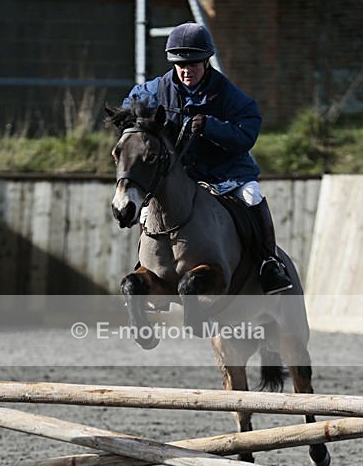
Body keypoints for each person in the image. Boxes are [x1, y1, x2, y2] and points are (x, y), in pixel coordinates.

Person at [123, 22, 292, 294]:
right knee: (147, 209)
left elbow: (247, 132)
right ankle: (146, 264)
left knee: (252, 196)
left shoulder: (226, 93)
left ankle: (268, 262)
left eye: (193, 64)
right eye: (181, 65)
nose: (186, 71)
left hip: (226, 173)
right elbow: (130, 106)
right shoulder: (157, 90)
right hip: (183, 176)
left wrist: (212, 127)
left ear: (206, 61)